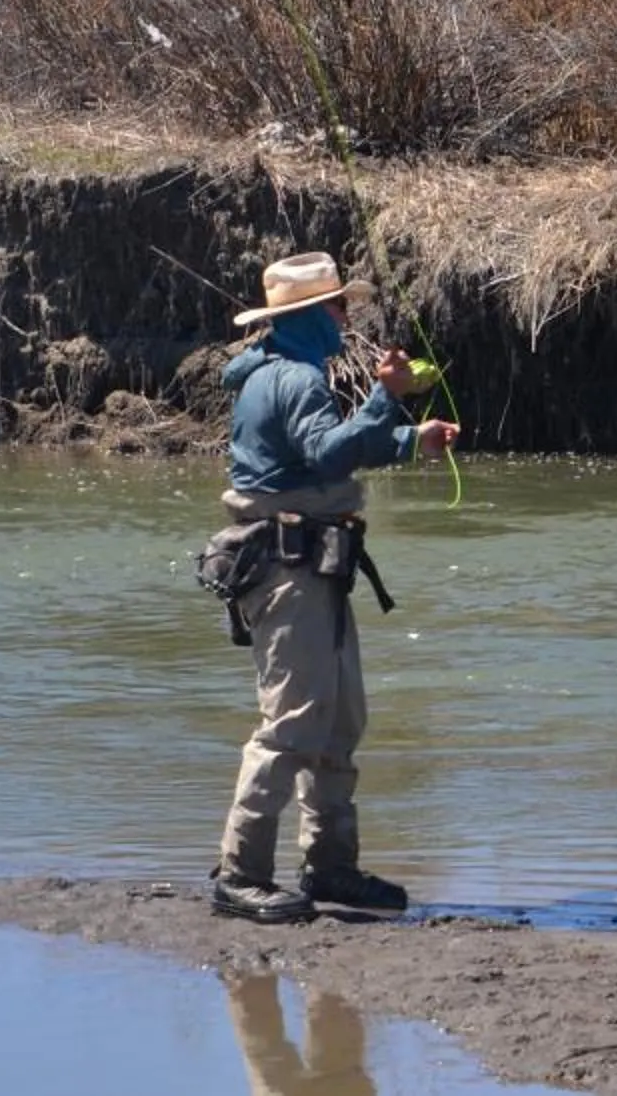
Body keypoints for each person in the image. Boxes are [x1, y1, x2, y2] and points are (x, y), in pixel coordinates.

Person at [207, 250, 458, 925]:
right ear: (310, 315)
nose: (348, 317)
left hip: (313, 568)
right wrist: (387, 397)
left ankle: (330, 869)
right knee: (291, 726)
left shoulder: (284, 376)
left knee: (340, 721)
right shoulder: (294, 381)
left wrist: (410, 440)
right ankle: (241, 875)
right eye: (340, 306)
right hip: (289, 573)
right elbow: (327, 452)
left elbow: (325, 452)